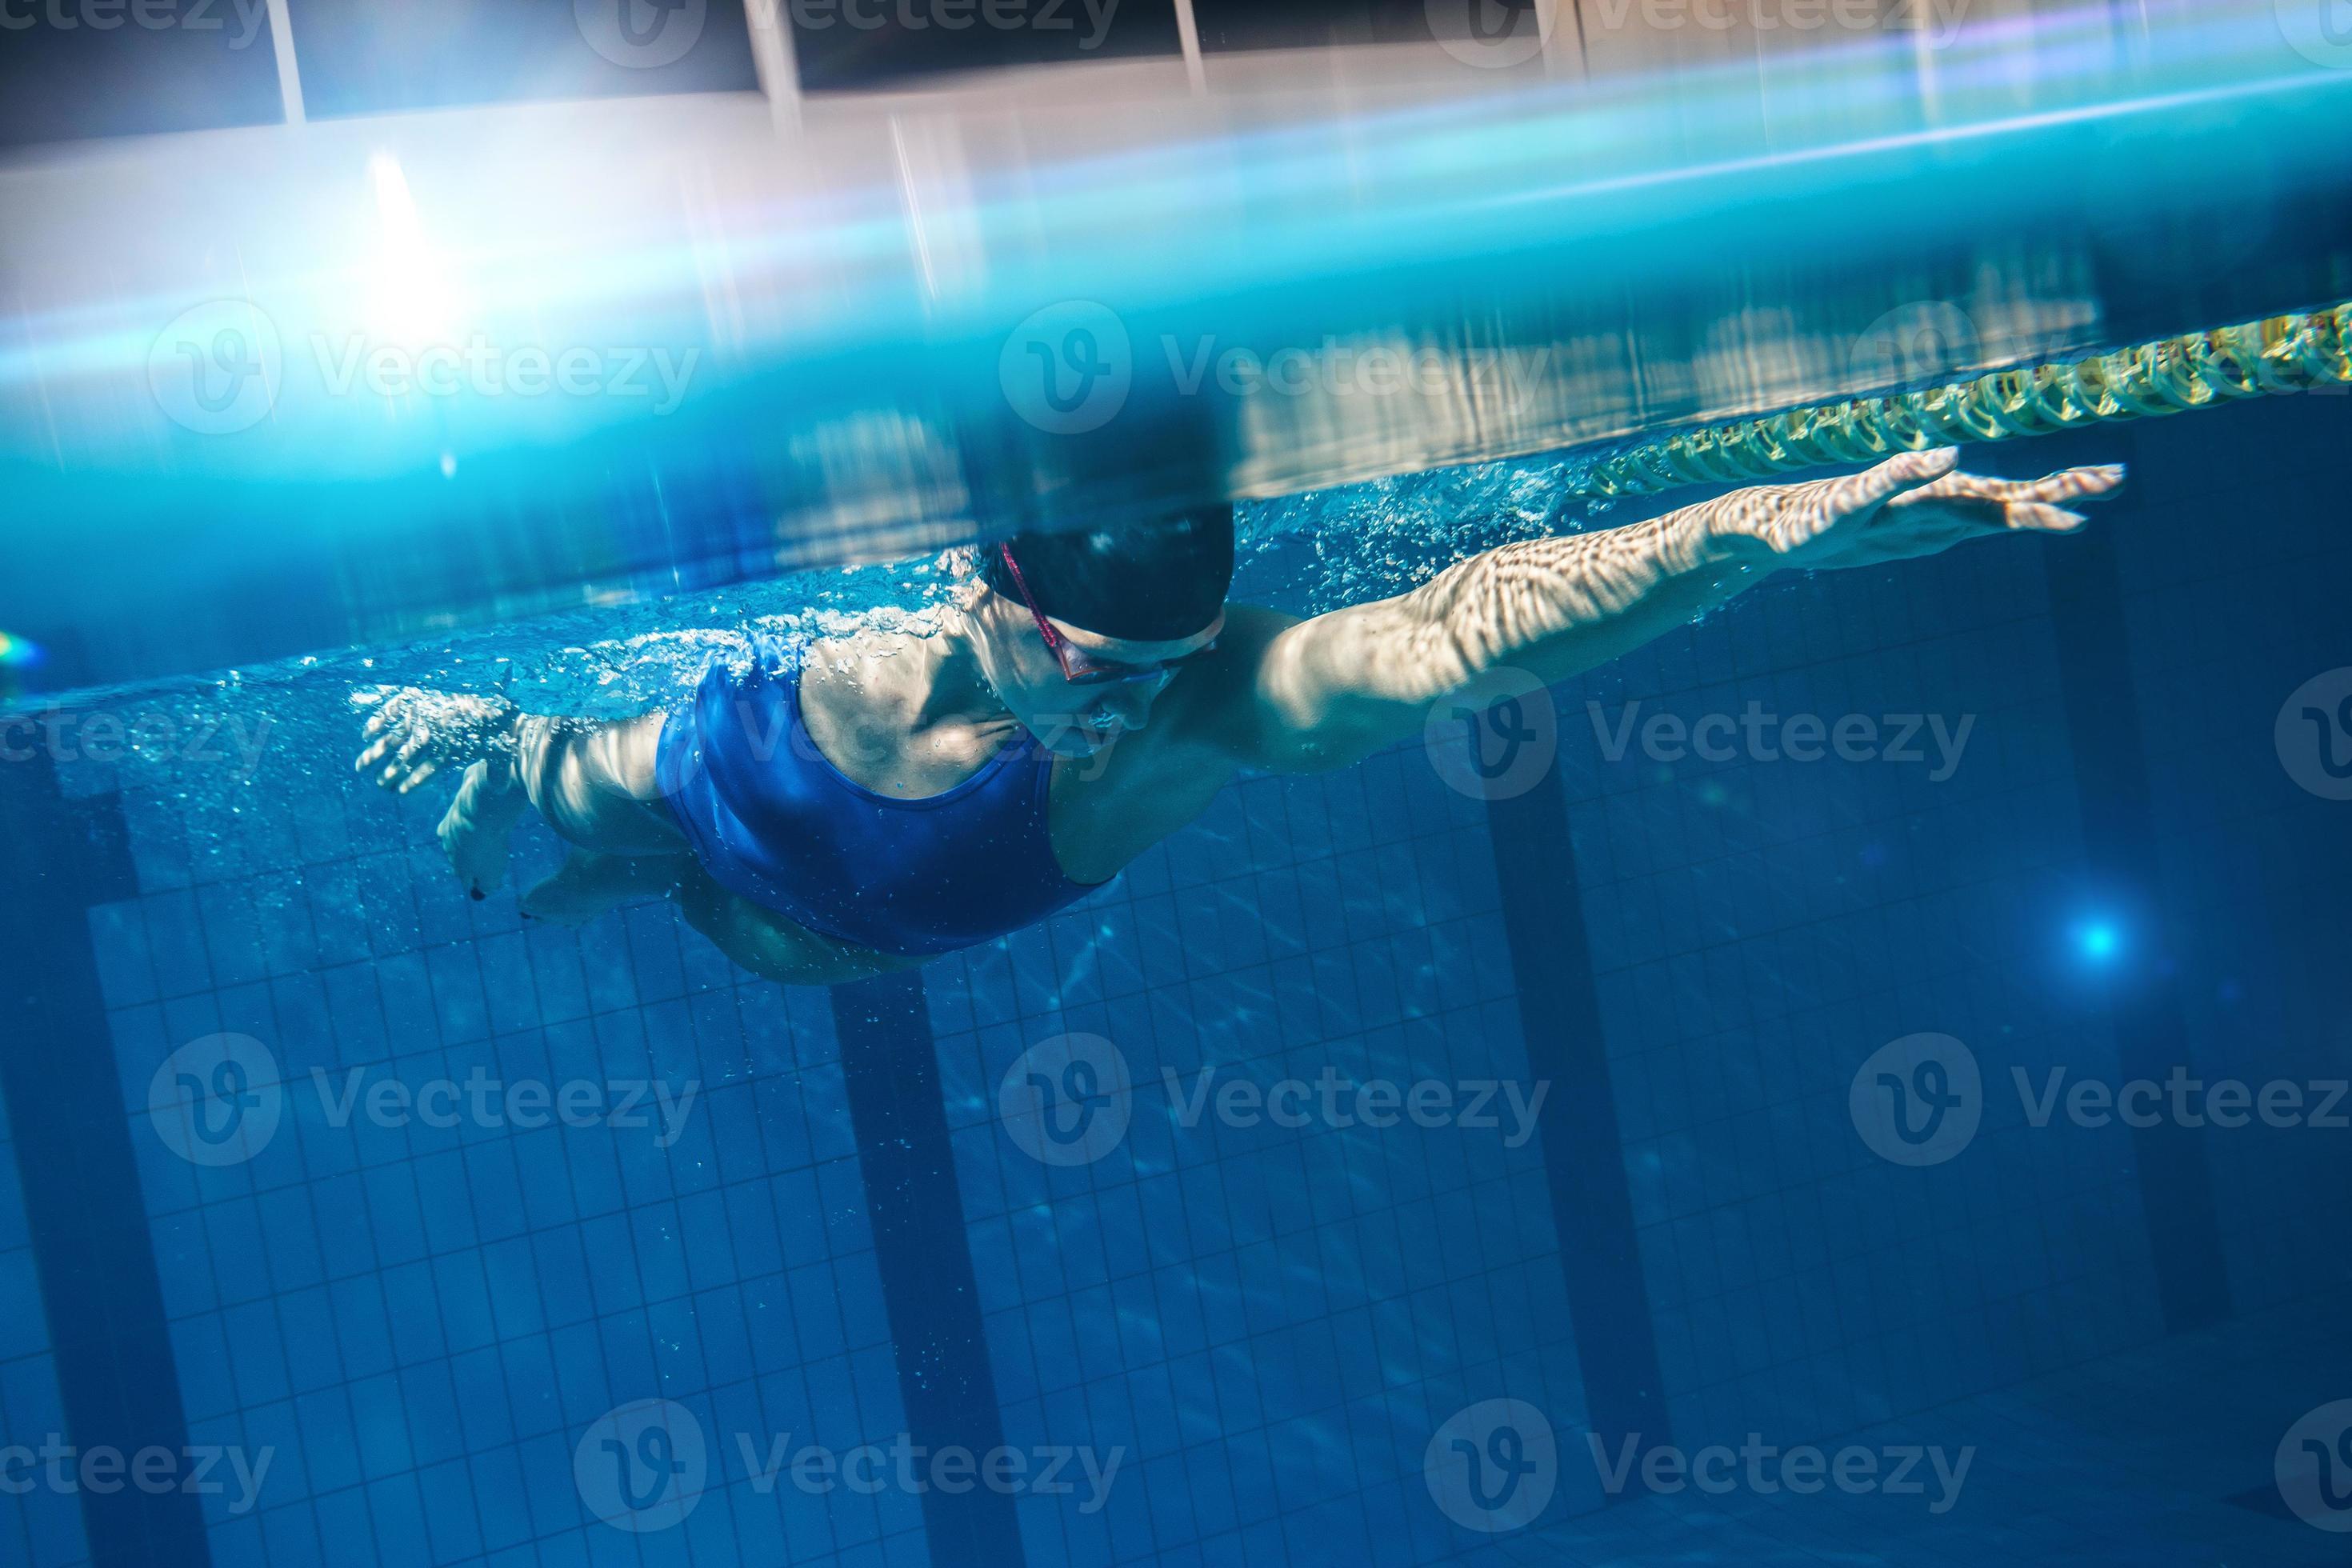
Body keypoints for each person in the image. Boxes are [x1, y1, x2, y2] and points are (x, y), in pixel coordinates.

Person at [355, 447, 2122, 986]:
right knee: (572, 795)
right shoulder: (822, 656)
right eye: (1097, 667)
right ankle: (531, 785)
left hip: (826, 927)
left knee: (729, 920)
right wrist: (513, 751)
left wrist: (1748, 536)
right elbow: (608, 751)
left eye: (1172, 663)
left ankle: (643, 878)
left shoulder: (1194, 713)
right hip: (722, 785)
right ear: (985, 585)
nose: (1134, 709)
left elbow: (1443, 633)